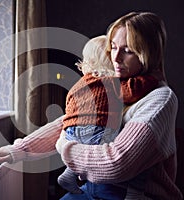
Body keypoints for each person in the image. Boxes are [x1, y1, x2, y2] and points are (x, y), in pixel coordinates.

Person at [0, 11, 182, 200]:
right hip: (93, 191)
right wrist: (16, 150)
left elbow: (115, 164)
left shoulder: (159, 99)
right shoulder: (112, 87)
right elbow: (73, 123)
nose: (115, 58)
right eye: (114, 47)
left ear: (148, 54)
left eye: (128, 51)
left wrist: (65, 146)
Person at [57, 35, 159, 197]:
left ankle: (69, 174)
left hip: (70, 131)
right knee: (138, 156)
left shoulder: (80, 83)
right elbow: (132, 90)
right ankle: (135, 191)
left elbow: (70, 107)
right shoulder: (110, 81)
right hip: (96, 128)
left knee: (85, 147)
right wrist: (152, 79)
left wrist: (67, 134)